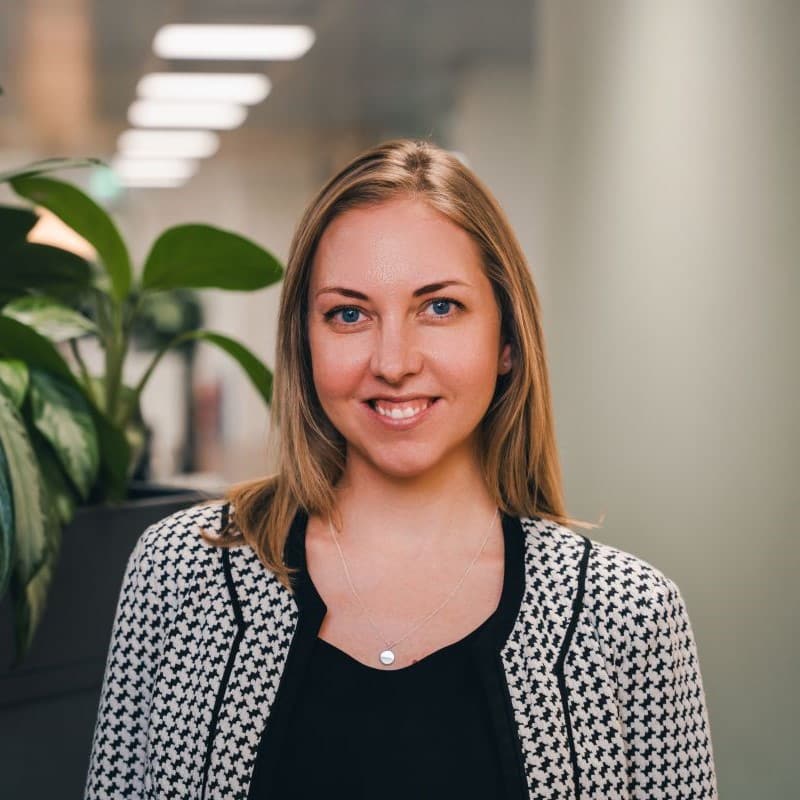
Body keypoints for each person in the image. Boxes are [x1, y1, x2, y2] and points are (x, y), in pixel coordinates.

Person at [84, 139, 718, 799]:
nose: (393, 361)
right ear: (304, 343)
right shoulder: (181, 577)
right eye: (349, 314)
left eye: (439, 307)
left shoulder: (628, 618)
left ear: (506, 341)